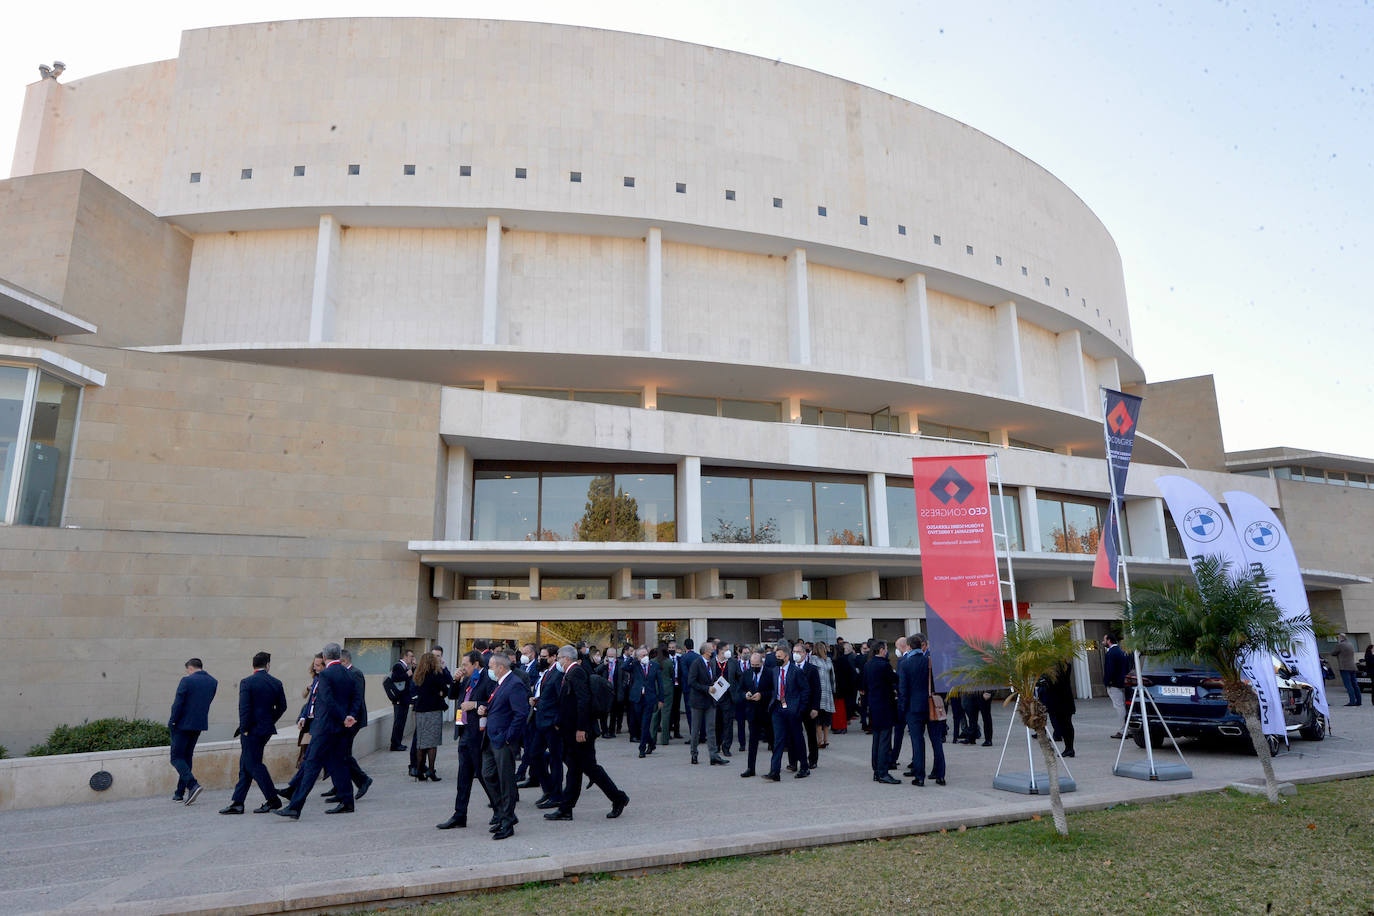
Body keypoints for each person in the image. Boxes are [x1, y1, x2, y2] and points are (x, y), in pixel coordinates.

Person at [544, 645, 630, 822]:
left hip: (581, 732)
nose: (557, 661)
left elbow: (583, 701)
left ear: (567, 659)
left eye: (559, 658)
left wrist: (581, 728)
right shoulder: (571, 673)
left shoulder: (576, 672)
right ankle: (566, 809)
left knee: (591, 769)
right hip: (572, 731)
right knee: (574, 771)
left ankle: (618, 798)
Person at [275, 642, 357, 818]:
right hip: (341, 728)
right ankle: (347, 802)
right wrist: (350, 716)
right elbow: (356, 698)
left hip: (325, 727)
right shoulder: (349, 673)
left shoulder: (325, 675)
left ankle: (295, 806)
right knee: (340, 764)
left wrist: (343, 716)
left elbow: (327, 701)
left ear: (326, 657)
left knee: (311, 765)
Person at [219, 651, 287, 814]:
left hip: (251, 731)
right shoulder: (276, 682)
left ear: (253, 665)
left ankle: (273, 799)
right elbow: (282, 707)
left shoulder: (247, 682)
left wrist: (245, 729)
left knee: (252, 764)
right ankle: (238, 802)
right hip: (265, 729)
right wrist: (269, 721)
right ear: (268, 665)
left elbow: (244, 709)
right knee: (246, 763)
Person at [436, 651, 498, 830]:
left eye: (465, 665)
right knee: (463, 778)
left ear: (476, 664)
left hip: (478, 735)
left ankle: (500, 810)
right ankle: (459, 815)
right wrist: (455, 680)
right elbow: (453, 696)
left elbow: (493, 703)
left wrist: (476, 704)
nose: (463, 668)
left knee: (483, 775)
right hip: (464, 732)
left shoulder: (487, 680)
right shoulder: (467, 680)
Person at [479, 652, 529, 840]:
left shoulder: (514, 684)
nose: (489, 670)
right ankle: (503, 813)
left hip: (503, 741)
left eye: (491, 666)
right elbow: (500, 708)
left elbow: (520, 714)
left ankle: (507, 822)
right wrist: (485, 708)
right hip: (491, 739)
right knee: (488, 774)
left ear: (500, 667)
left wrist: (509, 738)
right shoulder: (500, 684)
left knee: (506, 781)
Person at [168, 657, 218, 806]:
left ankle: (192, 784)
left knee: (176, 758)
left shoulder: (187, 680)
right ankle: (179, 793)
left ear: (190, 668)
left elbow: (178, 704)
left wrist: (172, 721)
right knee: (187, 756)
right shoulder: (213, 681)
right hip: (198, 724)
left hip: (182, 724)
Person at [324, 649, 372, 803]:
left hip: (352, 721)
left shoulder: (355, 673)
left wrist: (349, 718)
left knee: (343, 754)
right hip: (344, 720)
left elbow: (356, 698)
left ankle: (362, 780)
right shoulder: (345, 673)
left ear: (344, 661)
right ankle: (340, 786)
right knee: (341, 754)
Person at [898, 633, 946, 787]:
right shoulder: (931, 661)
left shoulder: (905, 664)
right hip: (931, 706)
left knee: (917, 742)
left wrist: (903, 709)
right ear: (922, 646)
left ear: (910, 647)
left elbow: (903, 690)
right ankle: (940, 775)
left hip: (914, 708)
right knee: (936, 742)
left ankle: (919, 777)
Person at [525, 644, 564, 810]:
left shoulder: (557, 674)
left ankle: (556, 795)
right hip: (540, 720)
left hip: (551, 723)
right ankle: (548, 789)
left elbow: (561, 700)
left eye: (544, 656)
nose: (541, 659)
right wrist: (536, 700)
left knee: (556, 760)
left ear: (553, 657)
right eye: (540, 655)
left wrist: (557, 722)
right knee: (534, 755)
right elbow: (547, 696)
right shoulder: (547, 672)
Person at [764, 642, 810, 781]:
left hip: (792, 709)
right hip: (778, 708)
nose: (776, 658)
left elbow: (805, 690)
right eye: (776, 656)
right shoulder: (775, 671)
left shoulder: (796, 671)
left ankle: (804, 767)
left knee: (797, 738)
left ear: (786, 657)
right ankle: (774, 771)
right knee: (778, 740)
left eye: (779, 656)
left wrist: (800, 708)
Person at [411, 650, 451, 781]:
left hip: (421, 711)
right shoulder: (436, 674)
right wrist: (440, 693)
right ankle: (431, 770)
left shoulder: (418, 675)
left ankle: (418, 769)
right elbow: (446, 689)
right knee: (432, 742)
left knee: (421, 742)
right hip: (433, 710)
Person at [865, 641, 901, 784]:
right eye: (886, 649)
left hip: (873, 705)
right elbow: (894, 679)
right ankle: (883, 772)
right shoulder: (884, 665)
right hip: (885, 705)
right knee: (885, 741)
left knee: (877, 739)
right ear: (881, 650)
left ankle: (876, 770)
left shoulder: (868, 665)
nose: (887, 651)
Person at [687, 640, 727, 765]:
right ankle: (694, 754)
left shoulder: (712, 663)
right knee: (696, 729)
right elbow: (691, 682)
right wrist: (706, 688)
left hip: (710, 701)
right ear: (705, 651)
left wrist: (719, 683)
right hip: (698, 701)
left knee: (711, 729)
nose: (714, 650)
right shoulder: (696, 663)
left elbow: (712, 678)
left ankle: (713, 755)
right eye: (711, 648)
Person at [628, 646, 663, 757]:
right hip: (637, 698)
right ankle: (651, 743)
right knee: (640, 723)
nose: (645, 657)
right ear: (638, 657)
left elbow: (660, 684)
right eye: (642, 655)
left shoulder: (655, 666)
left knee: (645, 724)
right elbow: (624, 667)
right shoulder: (635, 665)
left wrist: (661, 699)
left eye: (646, 655)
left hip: (649, 698)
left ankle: (642, 749)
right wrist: (632, 658)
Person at [739, 651, 768, 778]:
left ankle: (785, 765)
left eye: (757, 665)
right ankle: (751, 768)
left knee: (776, 740)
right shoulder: (746, 674)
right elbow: (740, 689)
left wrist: (762, 695)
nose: (754, 667)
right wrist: (745, 695)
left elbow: (774, 691)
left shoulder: (769, 673)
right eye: (752, 664)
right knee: (752, 741)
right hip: (752, 712)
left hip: (767, 711)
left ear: (762, 663)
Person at [1038, 661, 1076, 757]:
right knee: (1066, 723)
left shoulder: (1056, 667)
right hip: (1064, 699)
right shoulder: (1065, 665)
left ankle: (1069, 748)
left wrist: (1045, 681)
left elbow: (1055, 682)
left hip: (1059, 699)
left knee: (1065, 723)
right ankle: (1069, 748)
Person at [1102, 633, 1129, 738]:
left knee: (1119, 706)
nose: (1103, 642)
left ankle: (1123, 730)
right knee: (1124, 706)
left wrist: (1107, 682)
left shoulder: (1111, 653)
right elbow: (1127, 667)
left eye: (1104, 640)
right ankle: (1128, 729)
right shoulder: (1122, 652)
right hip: (1123, 682)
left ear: (1109, 640)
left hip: (1114, 684)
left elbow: (1109, 670)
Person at [812, 642, 836, 748]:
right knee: (823, 718)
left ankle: (823, 740)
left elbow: (832, 676)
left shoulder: (821, 660)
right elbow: (832, 677)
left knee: (822, 718)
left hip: (823, 691)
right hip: (823, 691)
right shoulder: (823, 660)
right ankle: (823, 740)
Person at [678, 638, 701, 737]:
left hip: (688, 688)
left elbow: (684, 673)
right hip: (699, 688)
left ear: (685, 646)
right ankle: (702, 734)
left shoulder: (684, 658)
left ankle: (694, 735)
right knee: (700, 711)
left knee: (690, 713)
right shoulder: (698, 657)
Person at [1332, 634, 1361, 706]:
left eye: (1338, 637)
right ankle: (1359, 701)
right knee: (1355, 684)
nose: (1337, 639)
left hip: (1344, 667)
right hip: (1353, 667)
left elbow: (1333, 653)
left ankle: (1352, 701)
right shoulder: (1351, 644)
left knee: (1348, 685)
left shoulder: (1340, 645)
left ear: (1341, 638)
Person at [665, 639, 684, 739]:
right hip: (669, 686)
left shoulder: (680, 659)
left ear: (676, 649)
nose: (671, 649)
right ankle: (667, 731)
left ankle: (677, 731)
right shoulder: (665, 660)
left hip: (678, 686)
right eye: (670, 648)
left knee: (676, 709)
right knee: (669, 709)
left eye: (673, 648)